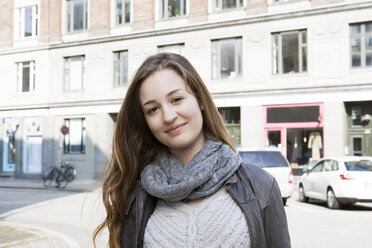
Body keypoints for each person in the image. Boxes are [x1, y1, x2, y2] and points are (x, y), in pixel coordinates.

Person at [93, 53, 291, 248]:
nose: (168, 116)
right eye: (153, 109)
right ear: (146, 122)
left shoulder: (261, 186)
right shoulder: (137, 199)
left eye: (176, 99)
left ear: (200, 100)